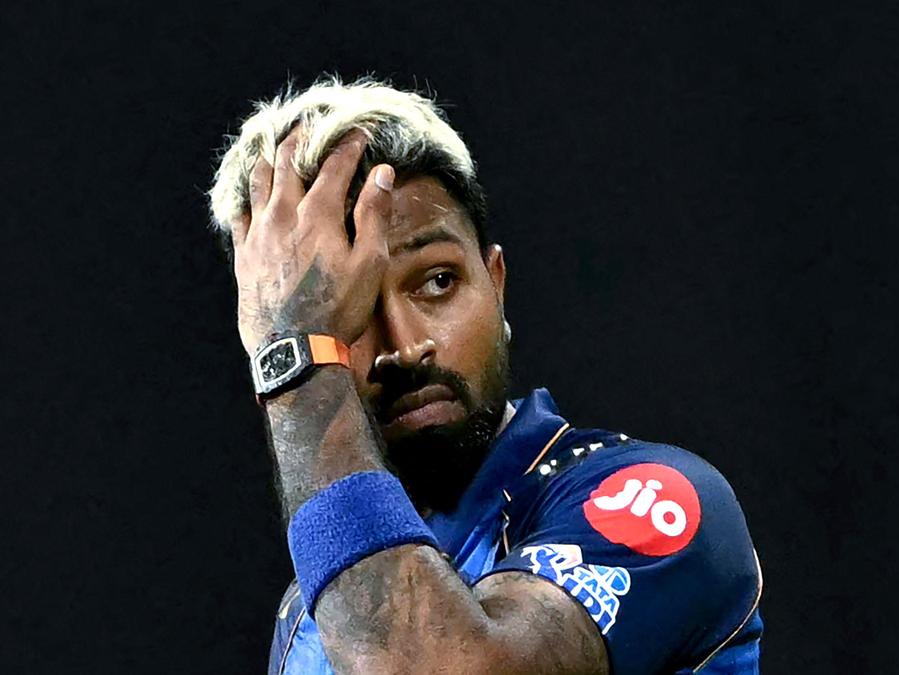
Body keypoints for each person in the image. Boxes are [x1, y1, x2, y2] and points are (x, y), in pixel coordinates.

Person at [207, 77, 762, 675]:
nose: (406, 345)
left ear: (495, 283)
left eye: (437, 281)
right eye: (351, 308)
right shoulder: (312, 613)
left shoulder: (656, 497)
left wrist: (297, 357)